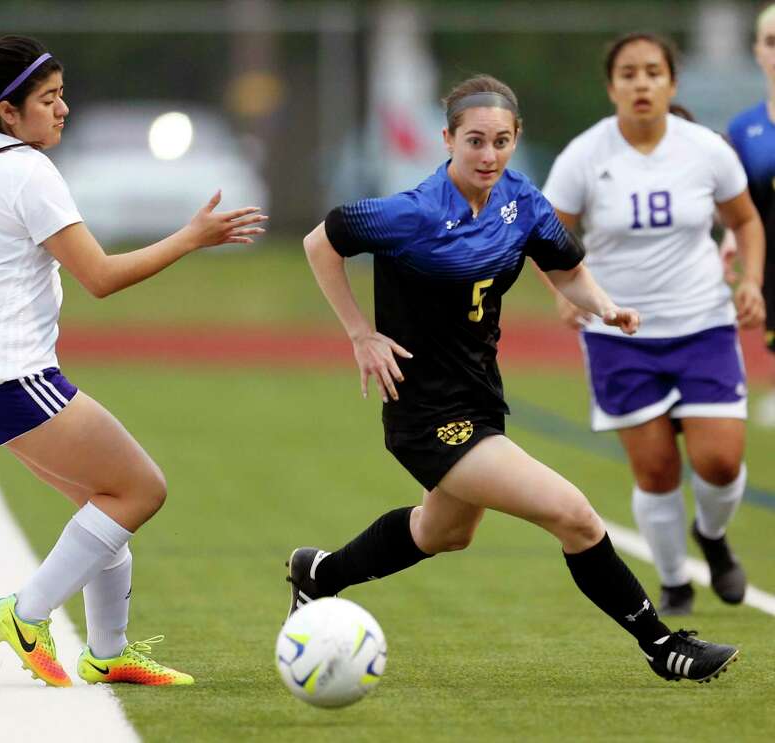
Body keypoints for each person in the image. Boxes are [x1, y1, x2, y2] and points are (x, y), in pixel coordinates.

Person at [286, 73, 739, 684]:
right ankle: (662, 645)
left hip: (479, 398)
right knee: (573, 513)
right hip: (426, 413)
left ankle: (320, 574)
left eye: (501, 141)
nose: (488, 154)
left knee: (442, 531)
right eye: (474, 141)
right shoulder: (411, 213)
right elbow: (322, 242)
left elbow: (568, 269)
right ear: (446, 139)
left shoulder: (521, 201)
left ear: (515, 138)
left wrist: (605, 306)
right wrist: (359, 333)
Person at [0, 35, 266, 687]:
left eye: (63, 94)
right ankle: (27, 610)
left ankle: (107, 651)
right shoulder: (29, 172)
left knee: (103, 504)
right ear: (10, 112)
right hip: (9, 377)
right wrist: (192, 236)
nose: (63, 108)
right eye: (48, 98)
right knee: (140, 488)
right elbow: (99, 276)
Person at [541, 33, 765, 616]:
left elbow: (746, 221)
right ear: (611, 85)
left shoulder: (704, 149)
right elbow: (546, 236)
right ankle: (674, 583)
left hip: (703, 325)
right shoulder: (584, 156)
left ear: (672, 82)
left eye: (653, 72)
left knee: (720, 462)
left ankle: (712, 539)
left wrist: (750, 281)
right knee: (658, 469)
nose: (642, 83)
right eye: (629, 74)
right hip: (622, 335)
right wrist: (566, 292)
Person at [728, 4, 775, 426]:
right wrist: (730, 244)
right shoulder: (745, 129)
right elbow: (736, 205)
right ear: (758, 51)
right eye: (772, 42)